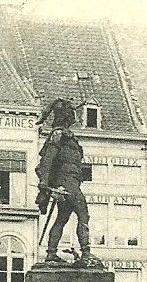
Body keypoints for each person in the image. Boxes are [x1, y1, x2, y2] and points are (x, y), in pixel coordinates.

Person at [35, 98, 100, 267]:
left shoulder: (68, 137)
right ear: (65, 117)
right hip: (66, 183)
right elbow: (47, 160)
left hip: (71, 182)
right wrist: (44, 182)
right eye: (71, 114)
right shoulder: (58, 135)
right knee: (83, 214)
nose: (73, 117)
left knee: (61, 219)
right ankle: (86, 253)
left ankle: (51, 254)